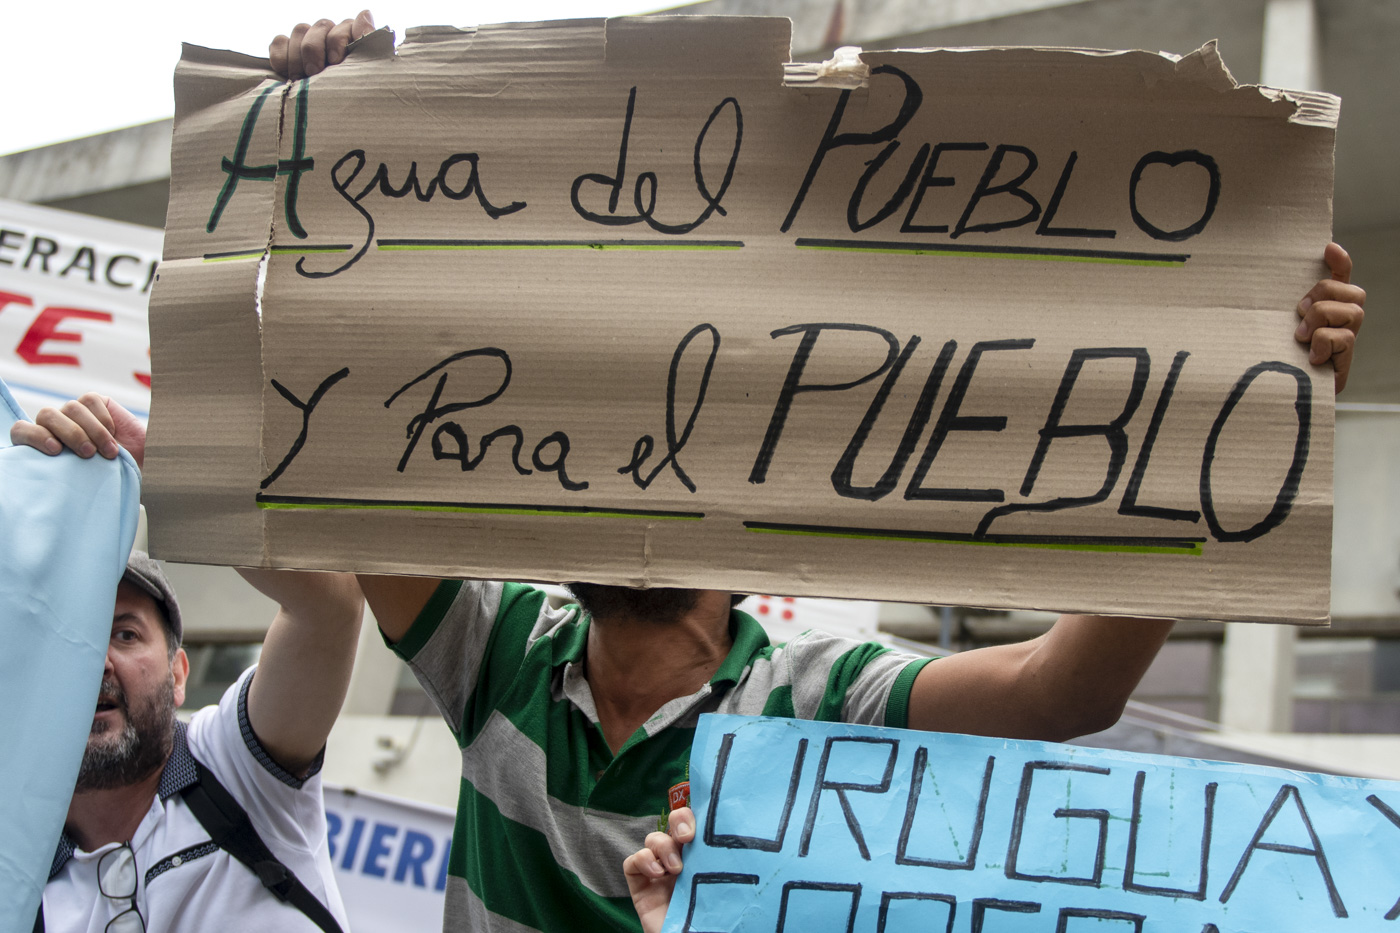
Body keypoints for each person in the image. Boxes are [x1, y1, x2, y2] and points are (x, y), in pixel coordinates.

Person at [281, 15, 1365, 933]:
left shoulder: (816, 696)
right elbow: (334, 457)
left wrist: (1229, 425)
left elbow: (1064, 692)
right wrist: (328, 136)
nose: (624, 476)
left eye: (658, 451)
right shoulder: (498, 647)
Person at [11, 396, 365, 932]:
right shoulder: (18, 879)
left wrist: (166, 474)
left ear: (179, 674)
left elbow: (329, 609)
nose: (95, 662)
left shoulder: (235, 765)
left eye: (125, 634)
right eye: (71, 635)